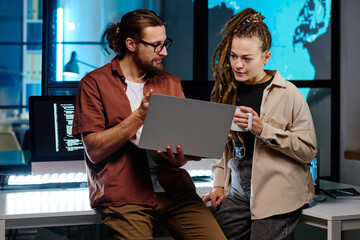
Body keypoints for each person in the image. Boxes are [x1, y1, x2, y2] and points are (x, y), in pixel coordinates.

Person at [72, 9, 226, 240]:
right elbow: (94, 150)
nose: (163, 52)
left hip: (174, 189)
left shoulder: (170, 83)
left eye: (165, 44)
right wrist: (139, 116)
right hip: (125, 194)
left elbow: (180, 145)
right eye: (156, 45)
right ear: (131, 44)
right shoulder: (94, 84)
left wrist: (180, 157)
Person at [202, 8, 317, 240]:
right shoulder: (227, 92)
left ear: (266, 58)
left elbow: (308, 151)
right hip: (238, 194)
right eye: (233, 56)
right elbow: (222, 149)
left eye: (247, 58)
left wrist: (263, 129)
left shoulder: (289, 94)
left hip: (277, 196)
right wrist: (219, 186)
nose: (238, 65)